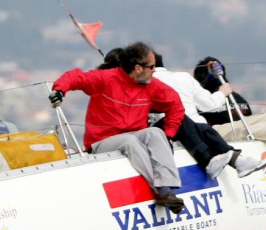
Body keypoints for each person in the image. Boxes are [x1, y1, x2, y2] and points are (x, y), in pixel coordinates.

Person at [49, 42, 186, 213]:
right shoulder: (106, 78)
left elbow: (175, 104)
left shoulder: (151, 85)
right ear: (138, 68)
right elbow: (76, 77)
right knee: (129, 141)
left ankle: (168, 185)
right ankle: (163, 192)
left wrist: (169, 135)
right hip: (101, 141)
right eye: (152, 67)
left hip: (134, 134)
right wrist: (59, 90)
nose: (154, 70)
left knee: (156, 133)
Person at [150, 53, 266, 179]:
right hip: (186, 127)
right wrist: (222, 93)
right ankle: (219, 161)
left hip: (181, 128)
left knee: (196, 124)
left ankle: (236, 160)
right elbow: (209, 104)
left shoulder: (147, 83)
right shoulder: (183, 77)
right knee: (197, 123)